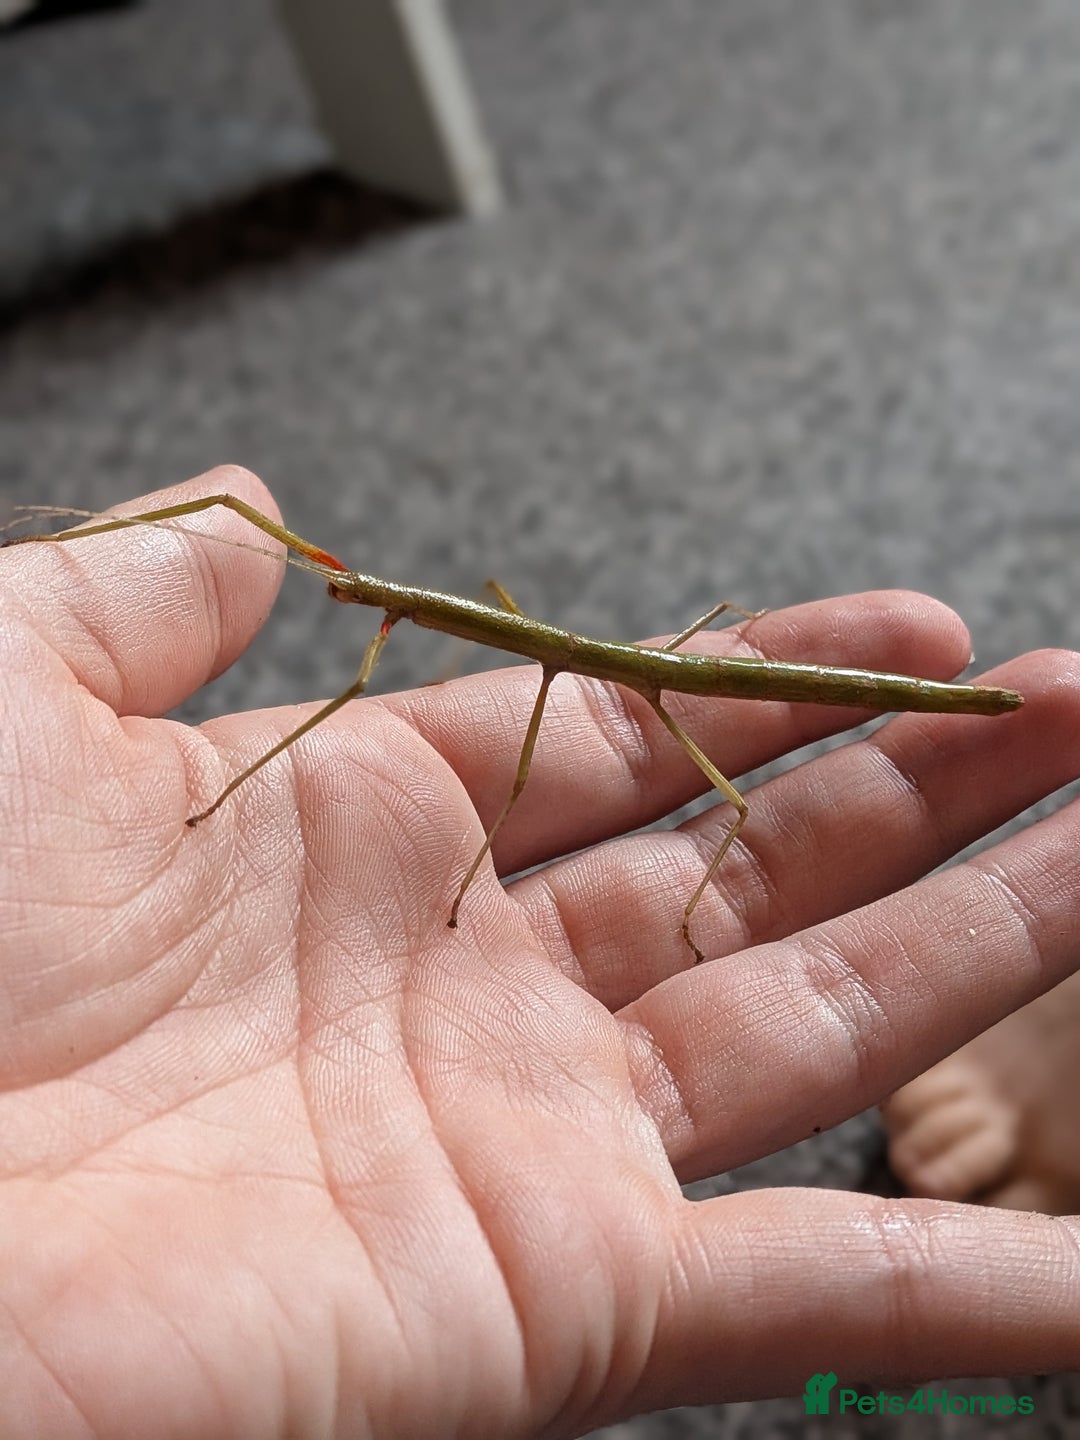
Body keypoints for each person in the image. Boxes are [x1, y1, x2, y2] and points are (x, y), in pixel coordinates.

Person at [2, 466, 1078, 1438]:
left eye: (369, 601)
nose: (364, 607)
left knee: (731, 809)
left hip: (730, 686)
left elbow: (362, 699)